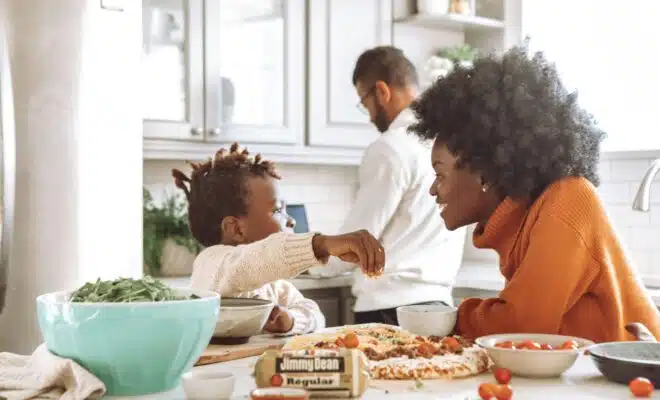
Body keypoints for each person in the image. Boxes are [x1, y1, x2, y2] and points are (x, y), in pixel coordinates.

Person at [407, 42, 660, 342]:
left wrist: (453, 315)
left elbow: (519, 325)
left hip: (635, 381)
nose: (433, 190)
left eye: (440, 174)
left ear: (484, 174)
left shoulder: (568, 199)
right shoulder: (524, 219)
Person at [317, 46, 466, 325]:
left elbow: (357, 240)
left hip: (389, 310)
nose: (370, 114)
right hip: (440, 308)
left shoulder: (390, 147)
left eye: (365, 102)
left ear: (382, 92)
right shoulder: (449, 142)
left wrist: (310, 259)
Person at [172, 143, 385, 336]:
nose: (290, 220)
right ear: (236, 229)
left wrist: (290, 320)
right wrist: (320, 245)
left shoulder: (273, 285)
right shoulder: (212, 264)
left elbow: (314, 315)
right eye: (277, 210)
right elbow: (256, 259)